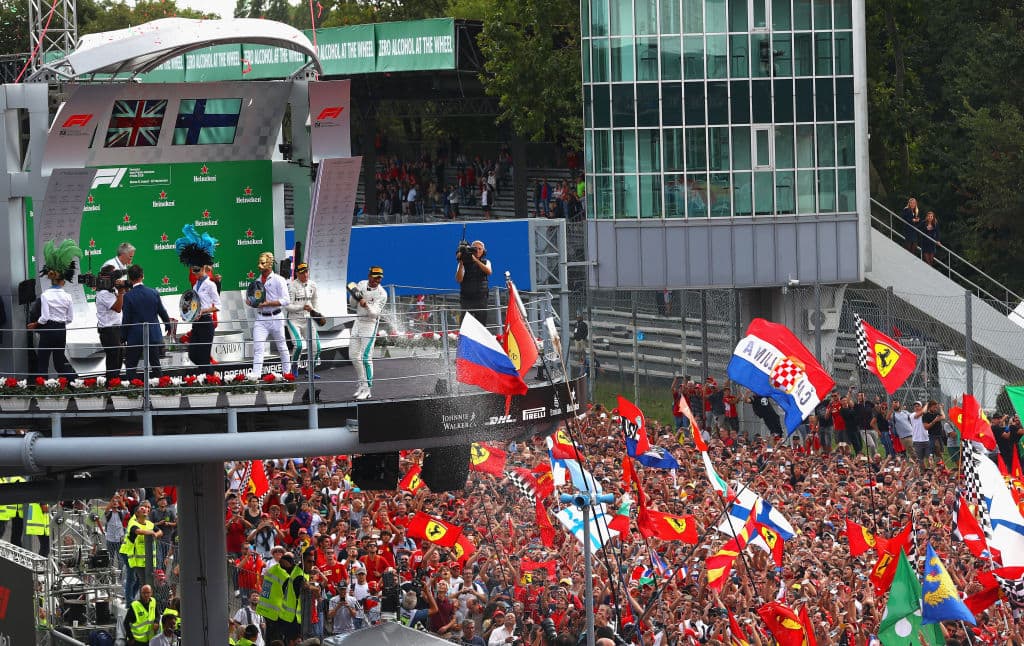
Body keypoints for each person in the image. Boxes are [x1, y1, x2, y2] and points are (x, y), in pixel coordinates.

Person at [28, 239, 81, 379]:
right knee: (59, 363)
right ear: (63, 280)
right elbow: (70, 318)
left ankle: (42, 392)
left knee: (43, 363)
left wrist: (35, 324)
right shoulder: (68, 296)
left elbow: (44, 317)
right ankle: (73, 385)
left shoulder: (45, 295)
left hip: (48, 330)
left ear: (51, 279)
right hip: (61, 330)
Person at [121, 264, 173, 382]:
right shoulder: (153, 292)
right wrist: (168, 325)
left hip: (135, 336)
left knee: (131, 366)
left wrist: (122, 337)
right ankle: (161, 390)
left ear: (129, 279)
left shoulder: (128, 296)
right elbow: (162, 311)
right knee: (155, 364)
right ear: (142, 276)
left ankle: (133, 392)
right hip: (153, 334)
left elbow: (126, 319)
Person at [249, 251, 292, 378]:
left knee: (282, 347)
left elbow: (286, 300)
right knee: (258, 348)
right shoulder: (256, 281)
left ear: (269, 263)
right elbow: (254, 300)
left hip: (276, 317)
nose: (259, 265)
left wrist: (269, 303)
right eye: (259, 263)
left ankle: (287, 374)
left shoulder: (279, 280)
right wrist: (251, 302)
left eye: (262, 263)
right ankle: (255, 377)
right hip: (261, 318)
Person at [348, 266, 387, 400]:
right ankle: (362, 384)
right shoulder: (361, 284)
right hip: (358, 321)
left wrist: (366, 304)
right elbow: (352, 304)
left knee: (366, 357)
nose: (377, 280)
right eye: (375, 277)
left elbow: (375, 313)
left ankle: (368, 389)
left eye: (379, 278)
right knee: (353, 355)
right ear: (369, 275)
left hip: (370, 325)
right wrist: (354, 296)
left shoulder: (382, 294)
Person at [257, 551, 305, 644]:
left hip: (264, 608)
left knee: (269, 636)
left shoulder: (272, 569)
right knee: (276, 639)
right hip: (274, 611)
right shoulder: (285, 576)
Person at [121, 501, 162, 602]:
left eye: (148, 508)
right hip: (130, 555)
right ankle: (130, 602)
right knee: (133, 579)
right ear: (137, 512)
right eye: (143, 507)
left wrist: (156, 534)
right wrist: (151, 533)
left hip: (146, 559)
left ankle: (135, 598)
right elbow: (138, 531)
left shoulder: (149, 524)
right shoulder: (133, 522)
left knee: (141, 581)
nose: (146, 509)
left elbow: (160, 531)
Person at [285, 263, 321, 375]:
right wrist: (302, 307)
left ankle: (310, 371)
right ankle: (294, 365)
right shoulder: (291, 286)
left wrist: (316, 312)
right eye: (302, 273)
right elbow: (288, 306)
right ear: (297, 274)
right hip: (294, 320)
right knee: (299, 345)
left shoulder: (313, 285)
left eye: (306, 272)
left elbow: (315, 300)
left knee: (317, 347)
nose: (305, 275)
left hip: (307, 320)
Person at [95, 264, 127, 380]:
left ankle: (114, 385)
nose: (117, 280)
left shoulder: (111, 291)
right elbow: (118, 308)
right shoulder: (103, 293)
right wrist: (121, 292)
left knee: (118, 359)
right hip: (109, 331)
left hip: (116, 330)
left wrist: (122, 290)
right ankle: (110, 387)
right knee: (113, 361)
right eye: (115, 276)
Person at [186, 264, 220, 374]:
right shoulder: (195, 285)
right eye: (193, 271)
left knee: (204, 358)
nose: (195, 273)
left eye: (197, 270)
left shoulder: (211, 285)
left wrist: (203, 311)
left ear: (203, 269)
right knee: (192, 354)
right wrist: (188, 312)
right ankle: (210, 376)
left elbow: (218, 306)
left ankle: (211, 378)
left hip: (206, 322)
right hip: (196, 323)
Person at [456, 240, 493, 327]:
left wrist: (475, 260)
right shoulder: (464, 263)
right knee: (465, 325)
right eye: (475, 248)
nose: (478, 251)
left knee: (481, 326)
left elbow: (488, 271)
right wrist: (461, 262)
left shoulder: (486, 262)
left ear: (483, 251)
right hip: (466, 299)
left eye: (480, 249)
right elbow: (459, 279)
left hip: (481, 299)